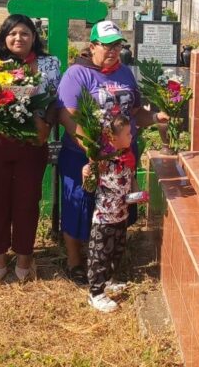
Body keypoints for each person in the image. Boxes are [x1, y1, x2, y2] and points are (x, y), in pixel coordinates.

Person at [56, 21, 167, 285]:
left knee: (117, 207)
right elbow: (68, 116)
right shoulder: (77, 74)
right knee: (80, 206)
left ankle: (108, 261)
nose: (113, 50)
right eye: (107, 45)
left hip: (122, 157)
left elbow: (135, 113)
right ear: (93, 46)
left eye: (117, 45)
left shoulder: (125, 73)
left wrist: (155, 117)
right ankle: (75, 262)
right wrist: (92, 148)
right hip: (84, 154)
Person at [0, 14, 61, 282]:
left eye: (25, 33)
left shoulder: (49, 63)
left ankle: (24, 255)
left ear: (34, 37)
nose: (18, 38)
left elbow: (56, 100)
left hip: (32, 141)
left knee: (27, 199)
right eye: (12, 33)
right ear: (4, 37)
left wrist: (46, 124)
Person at [85, 115, 135, 312]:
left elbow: (131, 177)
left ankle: (108, 281)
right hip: (104, 218)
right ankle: (95, 293)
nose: (131, 136)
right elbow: (89, 182)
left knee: (116, 250)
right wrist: (86, 172)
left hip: (121, 214)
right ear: (113, 138)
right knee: (100, 255)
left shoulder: (127, 156)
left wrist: (137, 193)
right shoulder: (102, 159)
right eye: (128, 134)